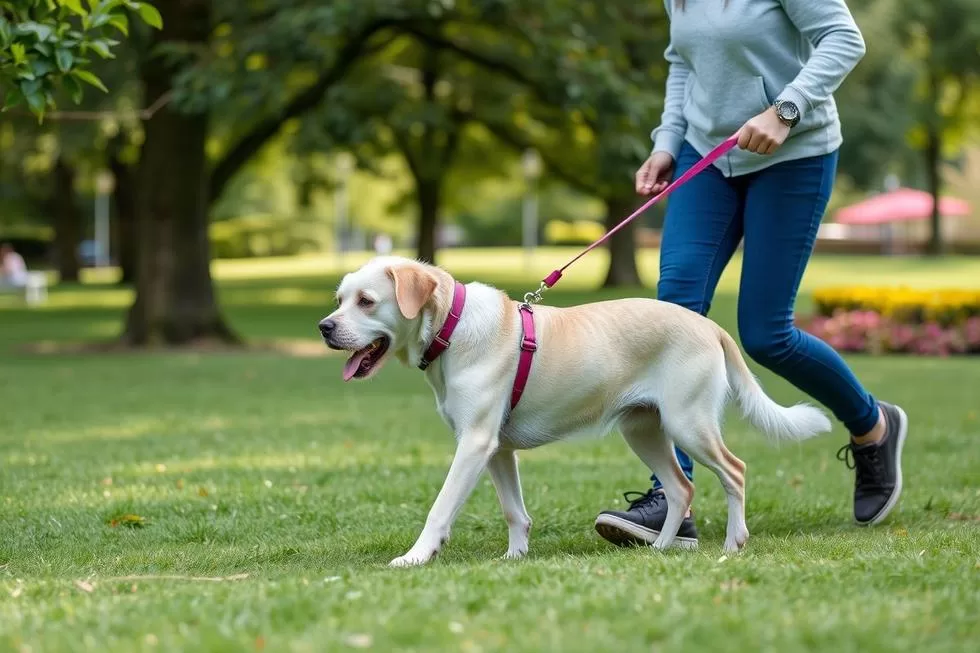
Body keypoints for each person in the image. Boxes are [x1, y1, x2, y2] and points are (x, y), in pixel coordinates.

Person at [593, 0, 908, 548]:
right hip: (706, 157)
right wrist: (667, 142)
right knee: (672, 316)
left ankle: (873, 426)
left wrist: (785, 110)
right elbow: (683, 62)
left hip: (795, 154)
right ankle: (672, 498)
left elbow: (844, 38)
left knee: (766, 334)